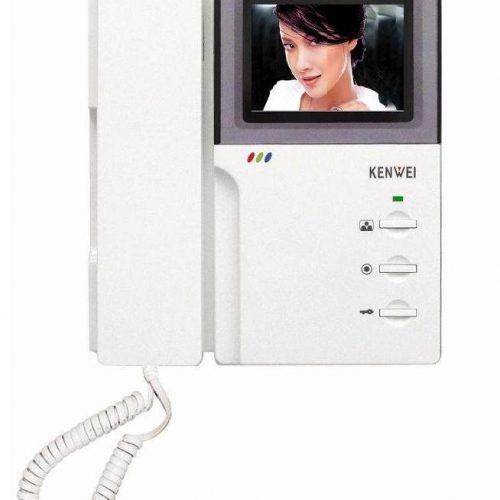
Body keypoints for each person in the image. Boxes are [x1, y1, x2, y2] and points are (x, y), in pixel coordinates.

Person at [264, 4, 385, 112]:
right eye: (290, 45)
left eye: (316, 41)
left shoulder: (377, 116)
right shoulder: (281, 95)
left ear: (351, 39)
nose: (301, 65)